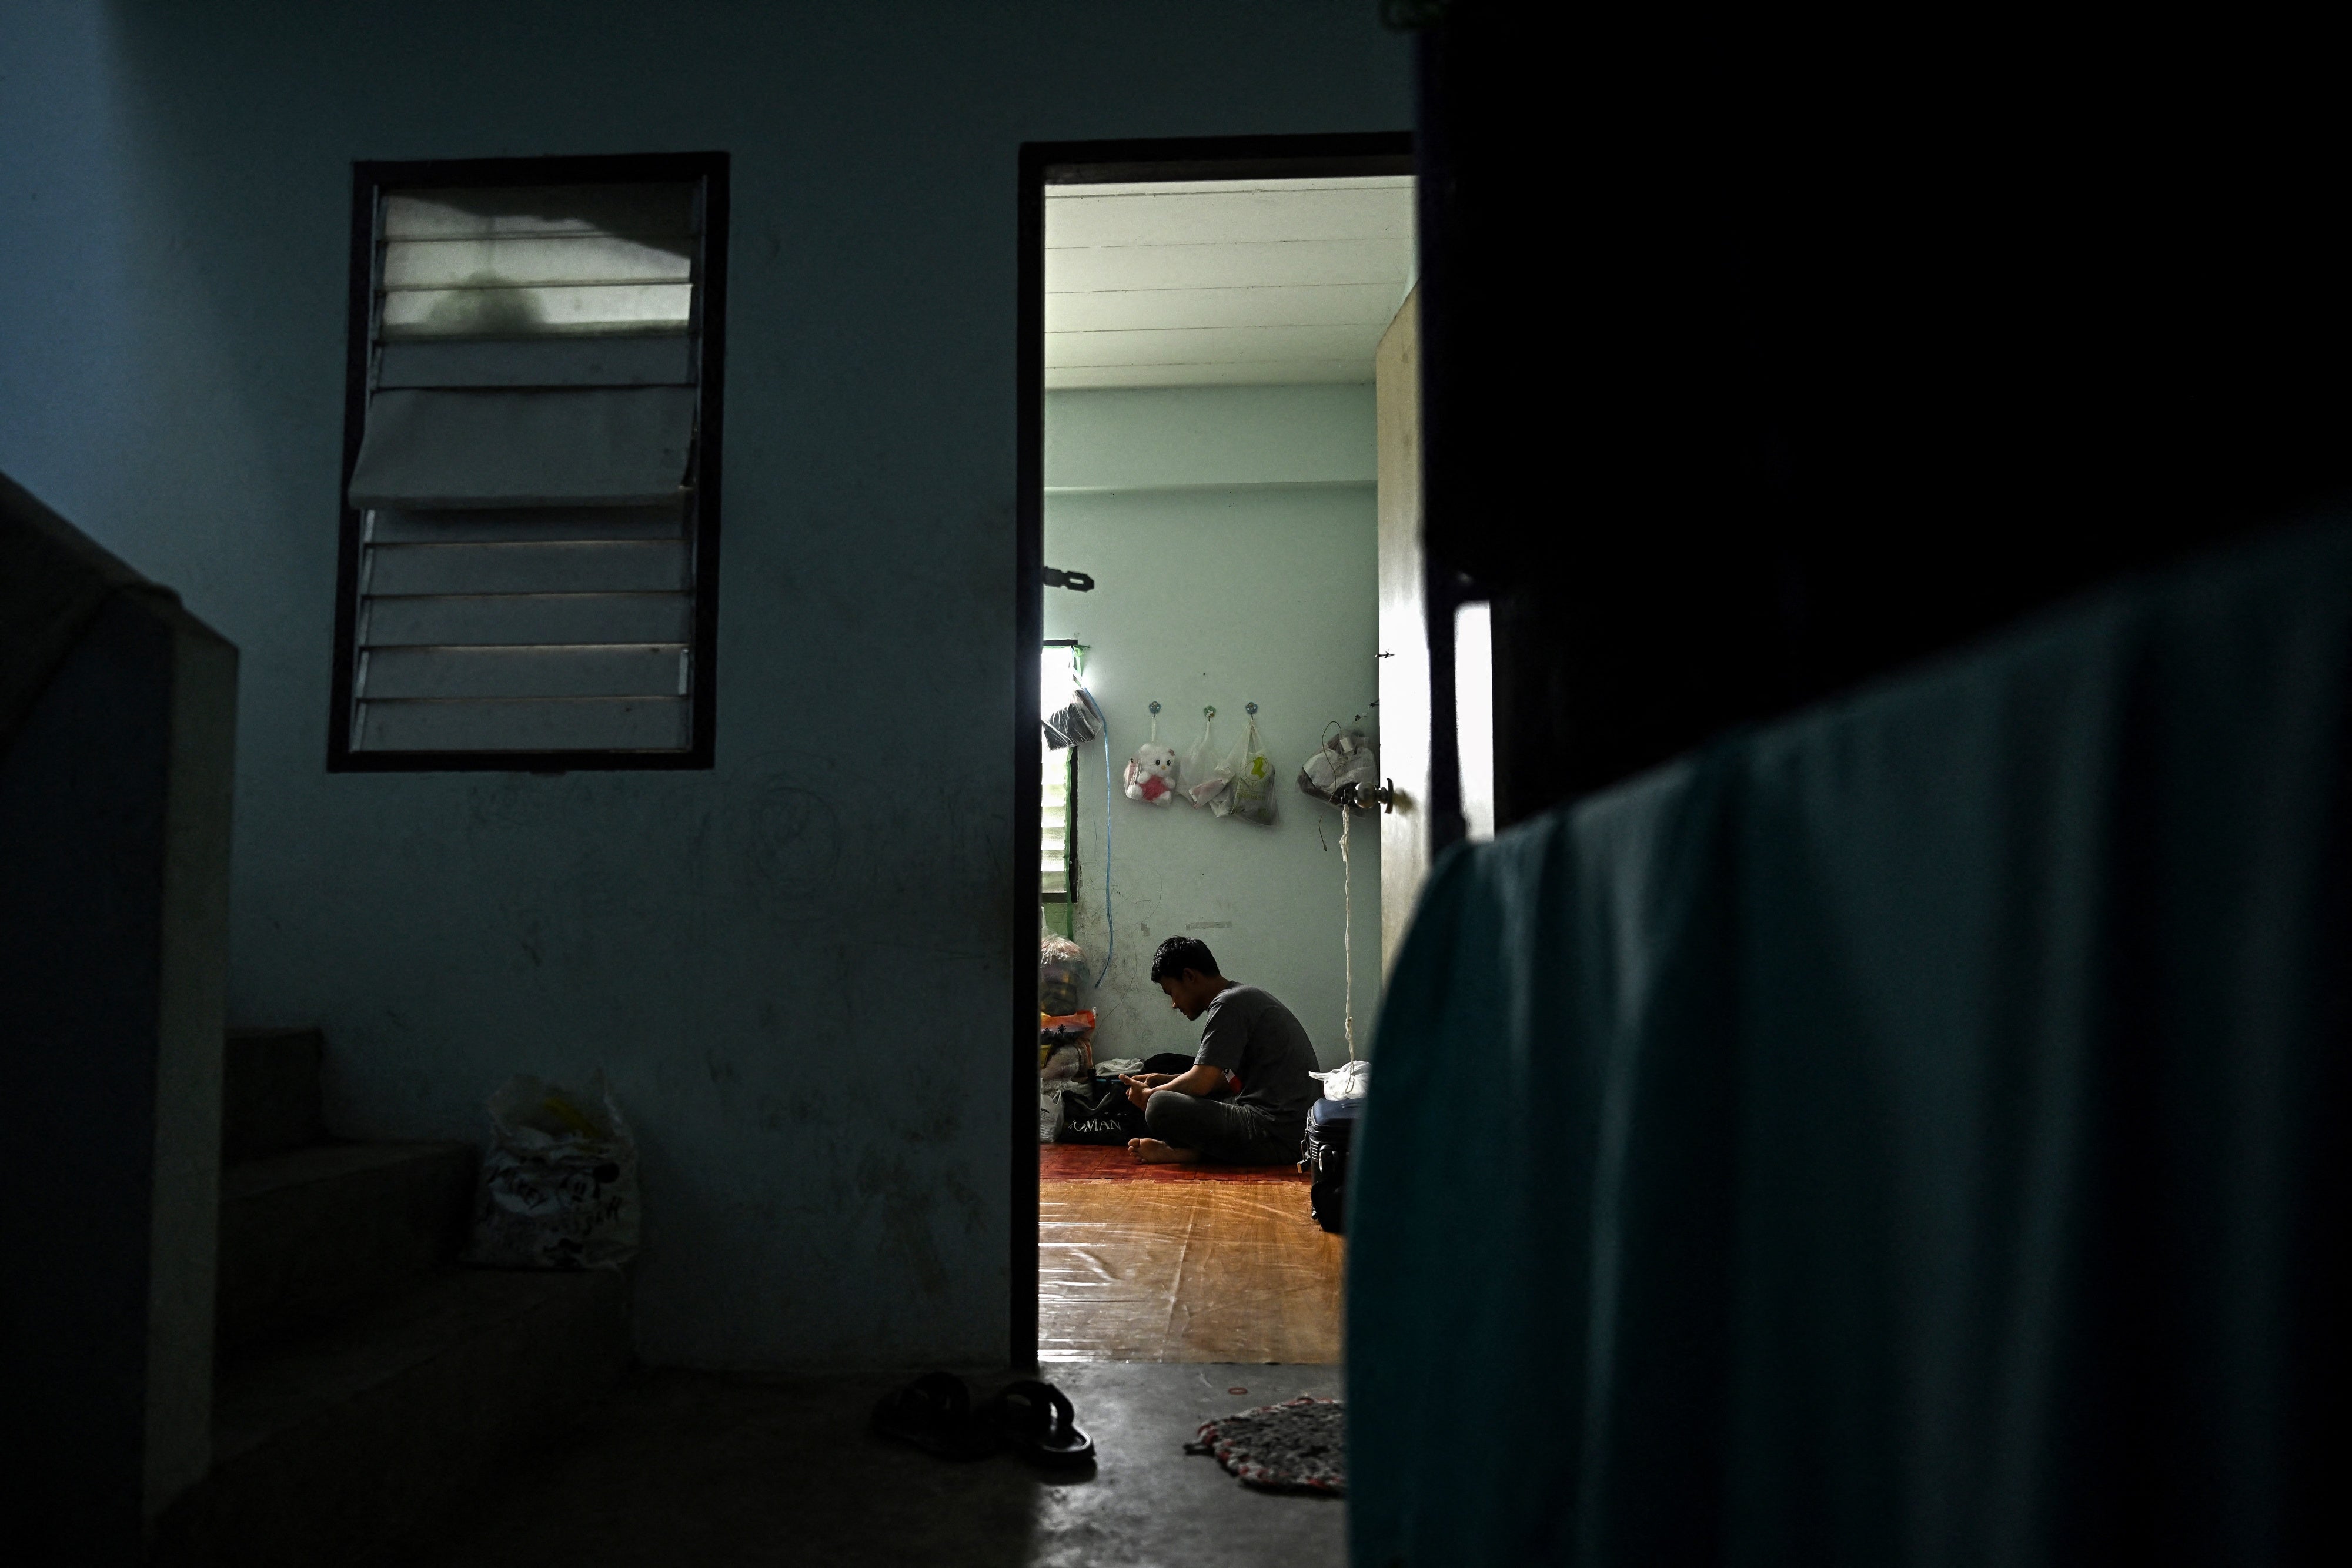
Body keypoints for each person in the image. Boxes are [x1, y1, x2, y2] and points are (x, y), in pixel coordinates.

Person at [1121, 936, 1320, 1165]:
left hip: (1278, 1133)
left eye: (1171, 993)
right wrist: (1166, 1080)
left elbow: (1201, 1082)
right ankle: (1189, 1153)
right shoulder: (1240, 997)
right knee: (1195, 1096)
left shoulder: (1227, 1005)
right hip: (1294, 1132)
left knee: (1159, 1105)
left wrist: (1150, 1095)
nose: (1174, 1004)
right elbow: (1227, 1080)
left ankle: (1192, 1154)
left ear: (1189, 976)